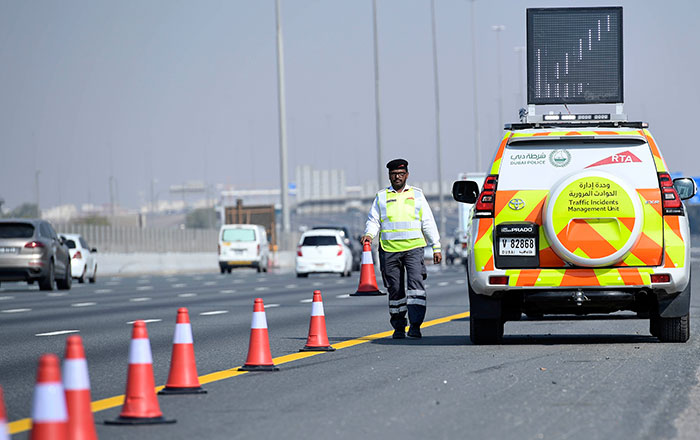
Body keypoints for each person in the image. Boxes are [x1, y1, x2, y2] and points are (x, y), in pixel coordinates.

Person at [361, 159, 442, 339]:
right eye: (394, 174)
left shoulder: (417, 195)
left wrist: (436, 246)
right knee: (395, 290)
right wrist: (369, 234)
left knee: (415, 287)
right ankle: (398, 327)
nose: (397, 177)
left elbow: (427, 221)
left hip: (414, 248)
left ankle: (415, 325)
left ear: (407, 175)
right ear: (389, 176)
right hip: (389, 249)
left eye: (400, 174)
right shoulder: (381, 196)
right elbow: (374, 220)